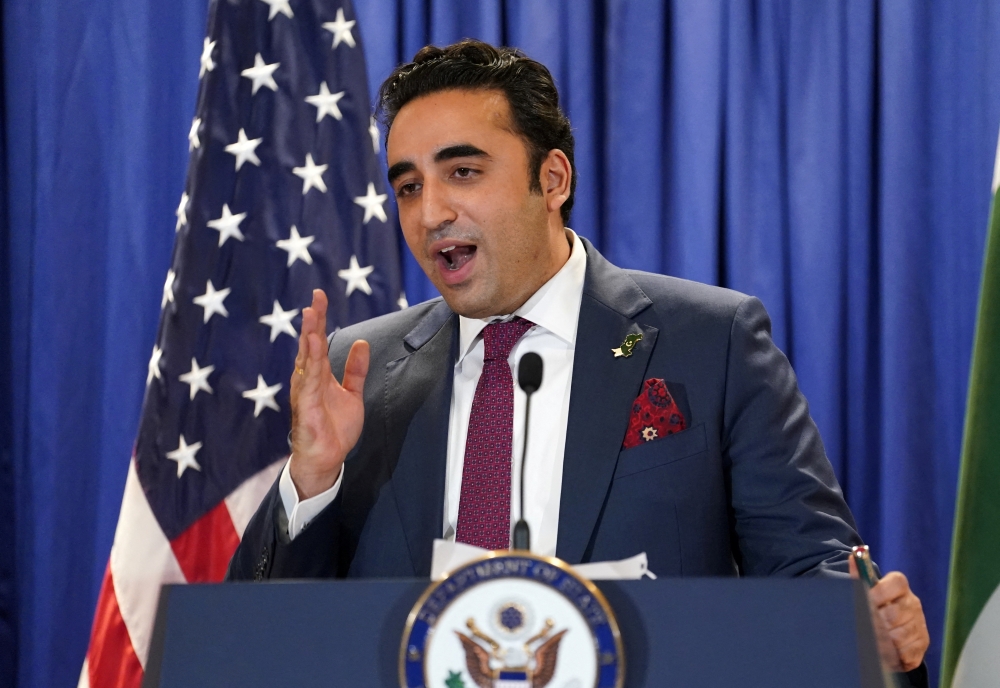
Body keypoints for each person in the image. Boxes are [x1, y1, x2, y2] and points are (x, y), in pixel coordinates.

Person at [228, 39, 929, 679]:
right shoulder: (364, 368)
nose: (430, 211)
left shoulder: (711, 340)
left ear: (553, 179)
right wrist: (311, 478)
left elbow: (808, 566)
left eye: (463, 171)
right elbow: (261, 639)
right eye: (408, 186)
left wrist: (866, 625)